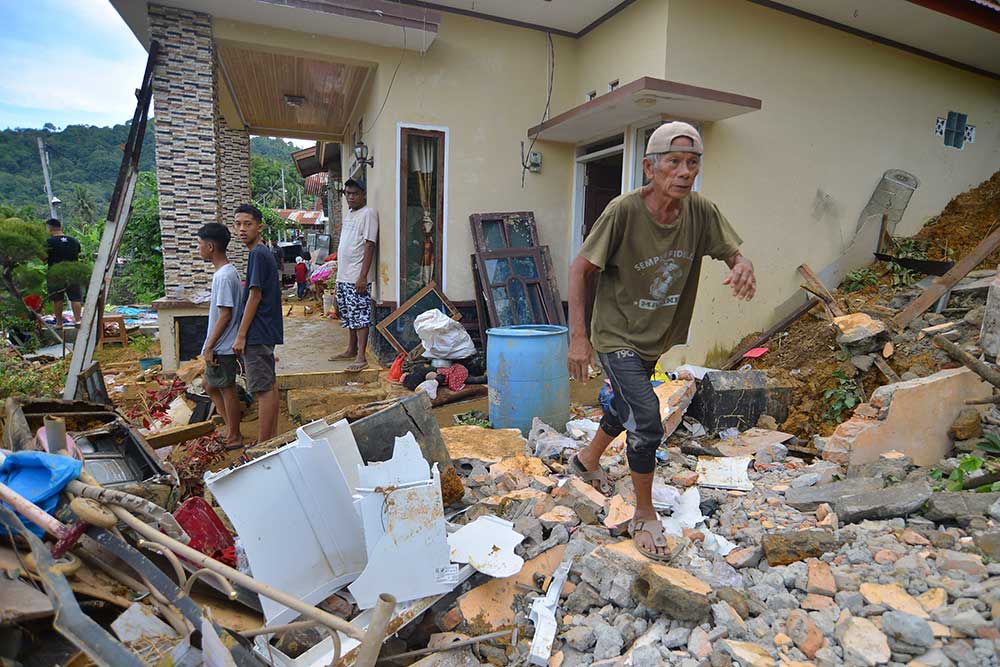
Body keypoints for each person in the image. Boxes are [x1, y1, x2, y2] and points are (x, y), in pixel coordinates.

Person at [566, 122, 756, 561]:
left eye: (693, 163)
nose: (685, 172)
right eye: (674, 162)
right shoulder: (623, 212)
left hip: (654, 336)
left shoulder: (700, 211)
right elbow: (580, 270)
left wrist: (742, 263)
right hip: (615, 335)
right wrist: (578, 339)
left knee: (625, 404)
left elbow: (730, 250)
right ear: (650, 167)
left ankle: (586, 461)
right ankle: (645, 512)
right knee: (647, 418)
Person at [232, 204, 284, 443]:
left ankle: (263, 445)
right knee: (269, 385)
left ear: (259, 227)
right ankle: (270, 438)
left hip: (258, 330)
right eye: (238, 224)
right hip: (266, 329)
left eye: (248, 224)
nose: (242, 229)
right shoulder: (262, 253)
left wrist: (241, 334)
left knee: (262, 389)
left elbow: (255, 295)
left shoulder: (257, 254)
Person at [196, 223, 244, 450]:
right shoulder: (226, 273)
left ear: (211, 246)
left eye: (199, 244)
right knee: (210, 384)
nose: (199, 249)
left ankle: (234, 435)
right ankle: (230, 427)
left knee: (226, 388)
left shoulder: (224, 277)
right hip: (221, 344)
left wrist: (209, 346)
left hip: (222, 346)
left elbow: (225, 314)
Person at [331, 178, 378, 371]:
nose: (350, 197)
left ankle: (361, 357)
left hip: (357, 277)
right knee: (349, 314)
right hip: (344, 276)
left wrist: (362, 276)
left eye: (354, 193)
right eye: (347, 193)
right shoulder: (349, 214)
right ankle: (350, 349)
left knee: (360, 316)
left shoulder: (368, 214)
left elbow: (369, 244)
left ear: (363, 194)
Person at [45, 218, 83, 327]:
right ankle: (77, 321)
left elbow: (43, 257)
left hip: (55, 274)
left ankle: (59, 323)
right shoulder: (74, 240)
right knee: (75, 298)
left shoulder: (49, 242)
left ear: (49, 228)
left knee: (57, 299)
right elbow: (78, 256)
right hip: (73, 272)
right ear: (60, 227)